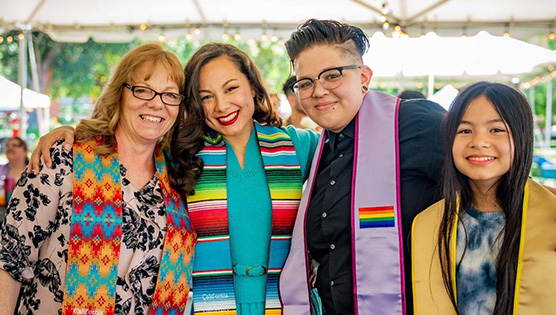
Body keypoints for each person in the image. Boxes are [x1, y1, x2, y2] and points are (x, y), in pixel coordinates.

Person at [27, 43, 320, 314]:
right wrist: (69, 133)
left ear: (253, 87)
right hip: (210, 304)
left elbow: (352, 150)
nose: (221, 105)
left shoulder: (297, 147)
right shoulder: (182, 153)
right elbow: (126, 141)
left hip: (286, 304)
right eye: (206, 97)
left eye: (231, 88)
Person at [0, 43, 197, 314]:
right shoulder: (64, 158)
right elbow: (8, 259)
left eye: (170, 95)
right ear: (119, 94)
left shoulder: (178, 178)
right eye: (142, 90)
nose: (156, 103)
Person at [279, 19, 446, 314]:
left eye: (331, 76)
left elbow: (497, 182)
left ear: (364, 77)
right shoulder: (320, 154)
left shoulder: (414, 124)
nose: (318, 91)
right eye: (305, 83)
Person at [412, 82, 556, 314]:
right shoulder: (428, 224)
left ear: (522, 138)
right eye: (465, 130)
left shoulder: (552, 216)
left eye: (496, 130)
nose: (478, 141)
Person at [0, 137, 29, 207]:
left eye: (15, 145)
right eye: (7, 146)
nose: (10, 148)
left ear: (25, 151)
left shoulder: (33, 171)